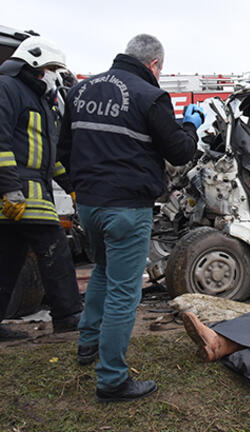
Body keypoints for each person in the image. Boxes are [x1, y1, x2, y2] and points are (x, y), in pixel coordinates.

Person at [58, 34, 204, 402]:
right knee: (125, 292)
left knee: (104, 273)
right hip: (127, 207)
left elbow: (61, 151)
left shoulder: (80, 91)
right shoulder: (149, 95)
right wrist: (192, 122)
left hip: (89, 206)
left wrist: (79, 190)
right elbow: (182, 151)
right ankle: (111, 380)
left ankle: (87, 345)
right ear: (154, 64)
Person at [0, 36, 83, 341]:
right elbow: (0, 142)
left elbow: (51, 161)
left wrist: (72, 188)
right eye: (49, 68)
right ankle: (68, 316)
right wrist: (10, 190)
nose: (52, 75)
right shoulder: (7, 88)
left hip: (30, 190)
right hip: (21, 192)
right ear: (33, 64)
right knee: (56, 251)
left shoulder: (41, 102)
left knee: (7, 263)